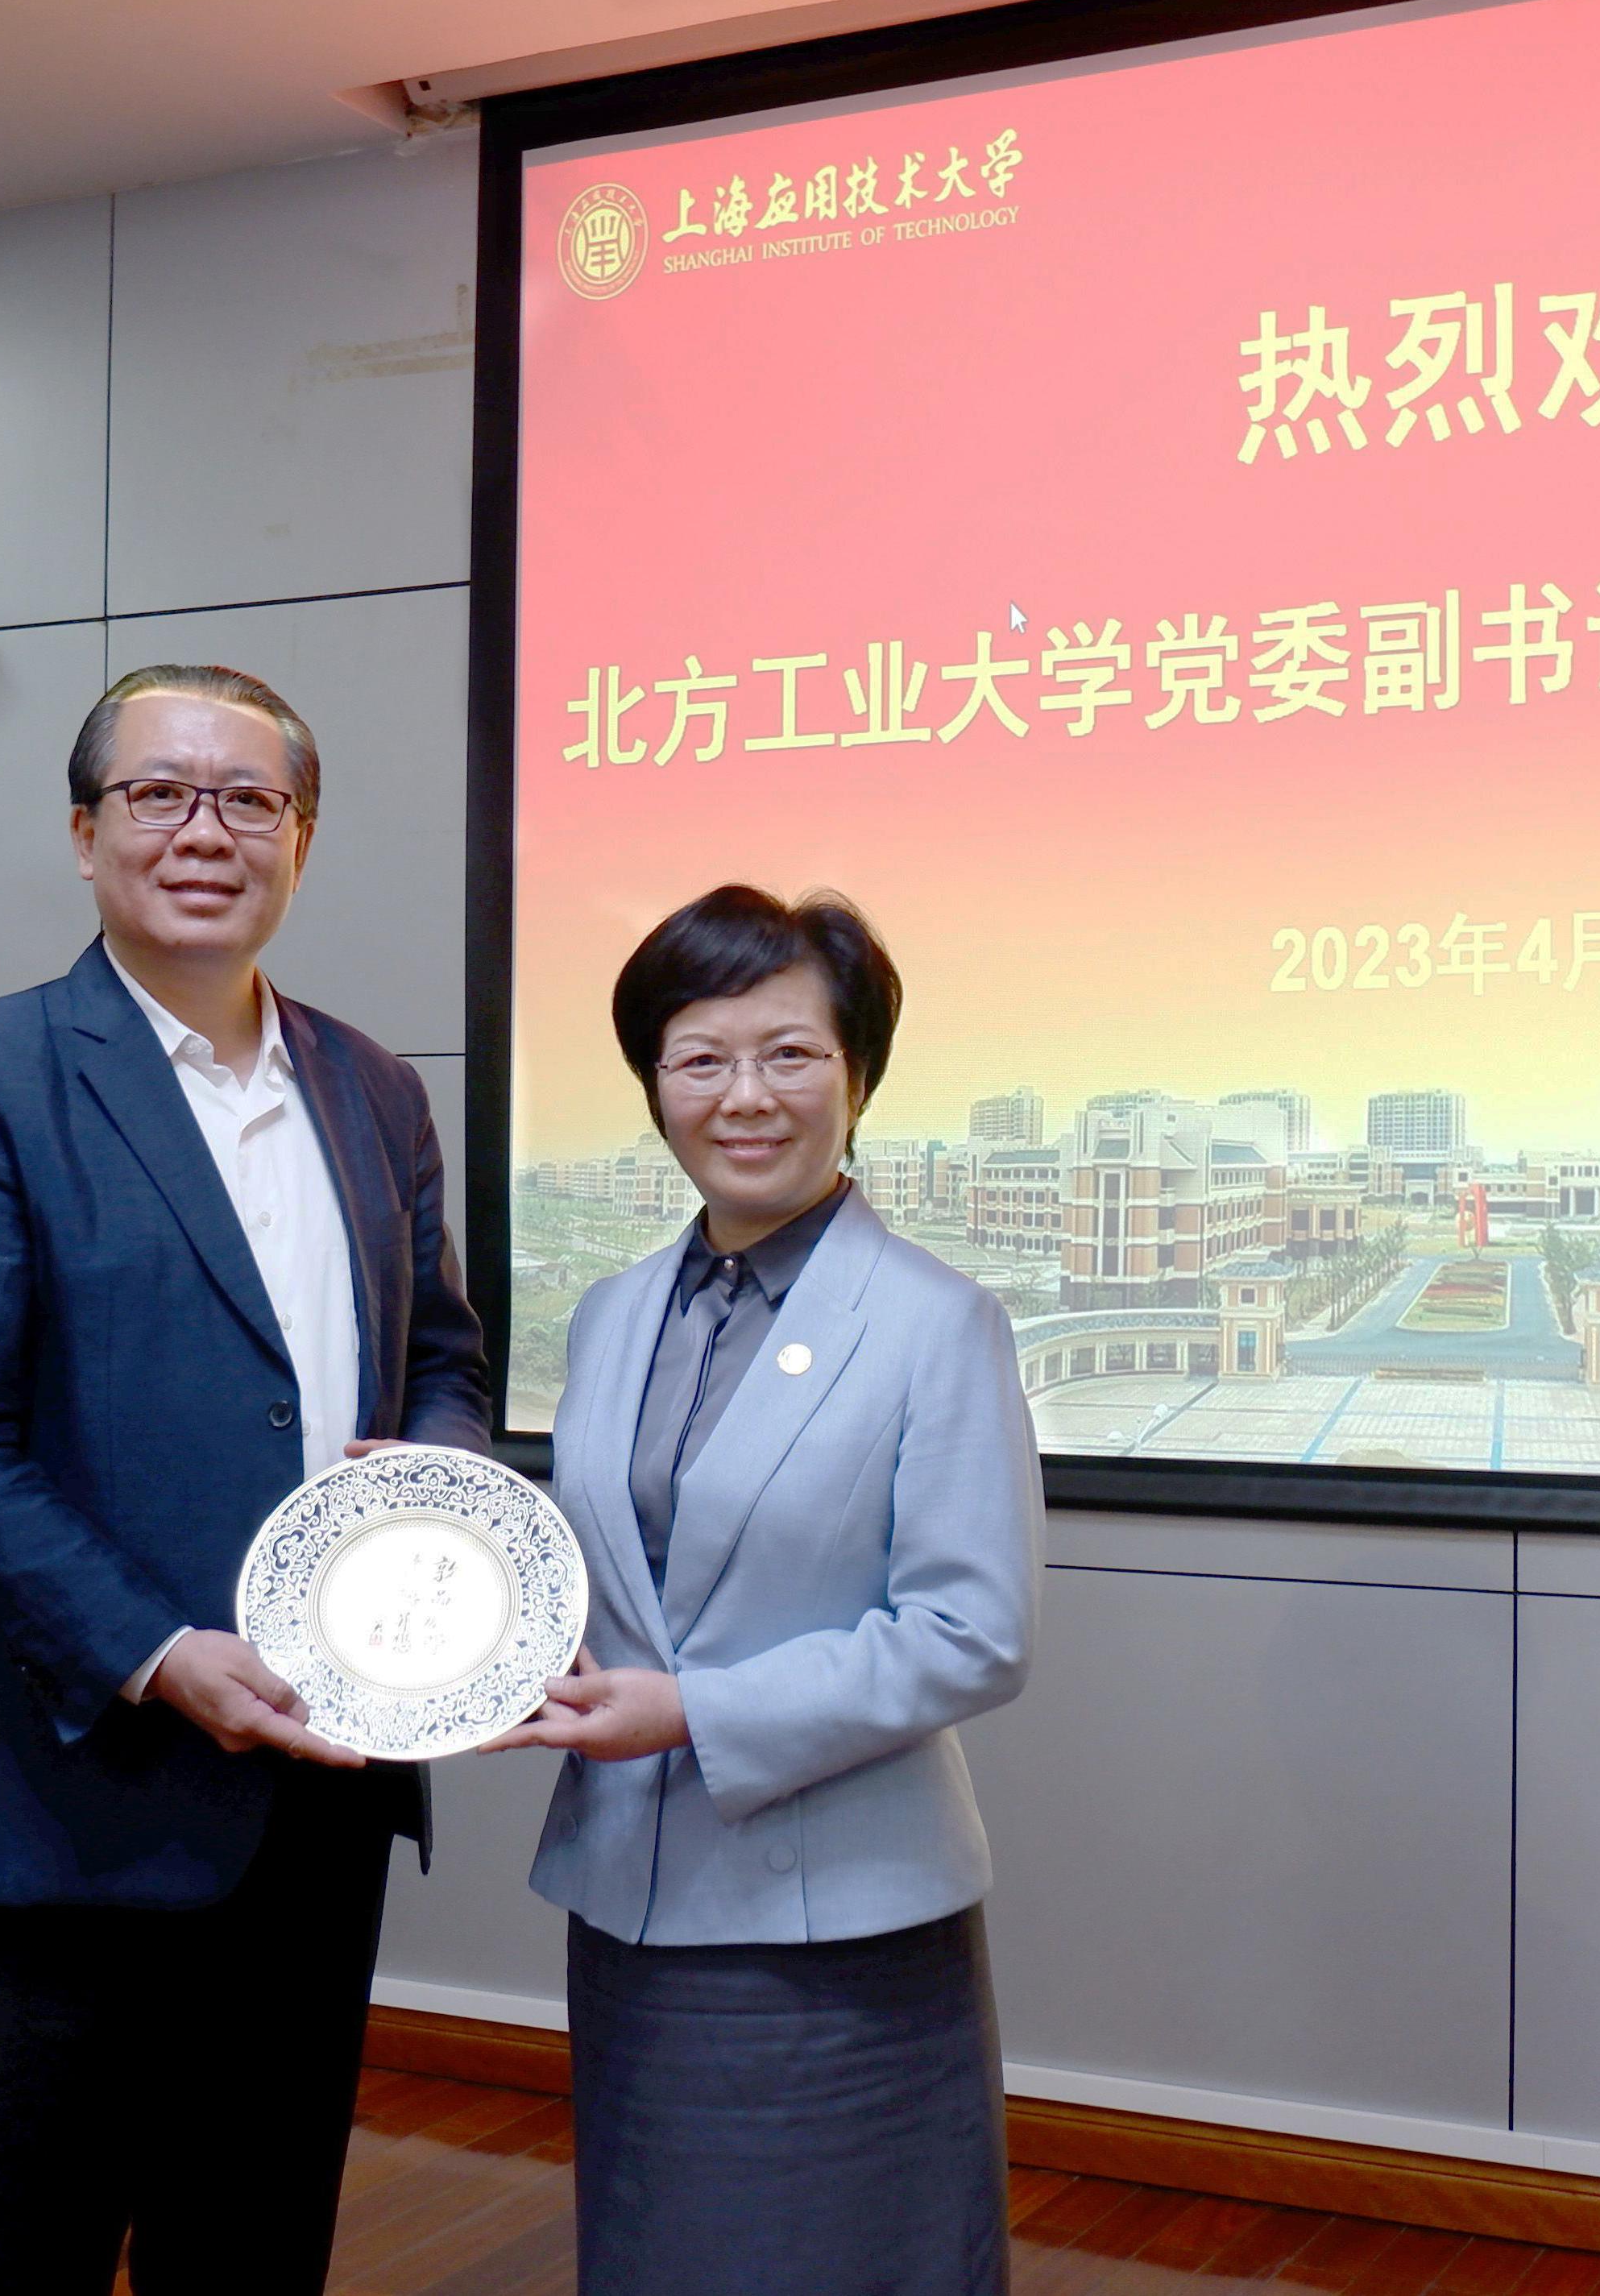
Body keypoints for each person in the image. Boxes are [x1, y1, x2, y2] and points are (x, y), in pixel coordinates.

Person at [0, 662, 489, 2294]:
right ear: (86, 833)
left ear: (302, 838)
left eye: (250, 799)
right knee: (31, 2263)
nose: (205, 832)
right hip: (70, 1805)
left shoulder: (376, 1088)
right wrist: (156, 1652)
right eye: (158, 794)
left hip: (318, 1798)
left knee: (256, 2253)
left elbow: (442, 1359)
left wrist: (438, 1494)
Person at [484, 884, 1042, 2296]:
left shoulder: (934, 1321)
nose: (744, 1096)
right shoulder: (611, 1312)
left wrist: (692, 1713)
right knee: (656, 2250)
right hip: (629, 1895)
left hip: (838, 1922)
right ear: (653, 1083)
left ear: (857, 1077)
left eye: (789, 1054)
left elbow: (971, 1635)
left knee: (845, 2259)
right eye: (700, 1058)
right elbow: (626, 1576)